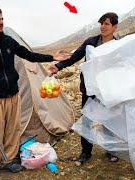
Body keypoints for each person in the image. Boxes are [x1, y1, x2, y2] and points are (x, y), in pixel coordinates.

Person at [0, 6, 70, 180]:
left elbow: (29, 55)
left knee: (11, 130)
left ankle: (8, 160)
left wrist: (52, 58)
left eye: (2, 19)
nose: (1, 22)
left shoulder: (8, 41)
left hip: (13, 95)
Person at [48, 12, 119, 165]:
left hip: (108, 90)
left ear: (114, 27)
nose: (103, 26)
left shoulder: (117, 45)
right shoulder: (91, 42)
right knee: (87, 120)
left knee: (108, 120)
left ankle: (111, 150)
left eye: (107, 24)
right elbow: (74, 57)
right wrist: (58, 66)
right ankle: (85, 152)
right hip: (90, 89)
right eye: (102, 23)